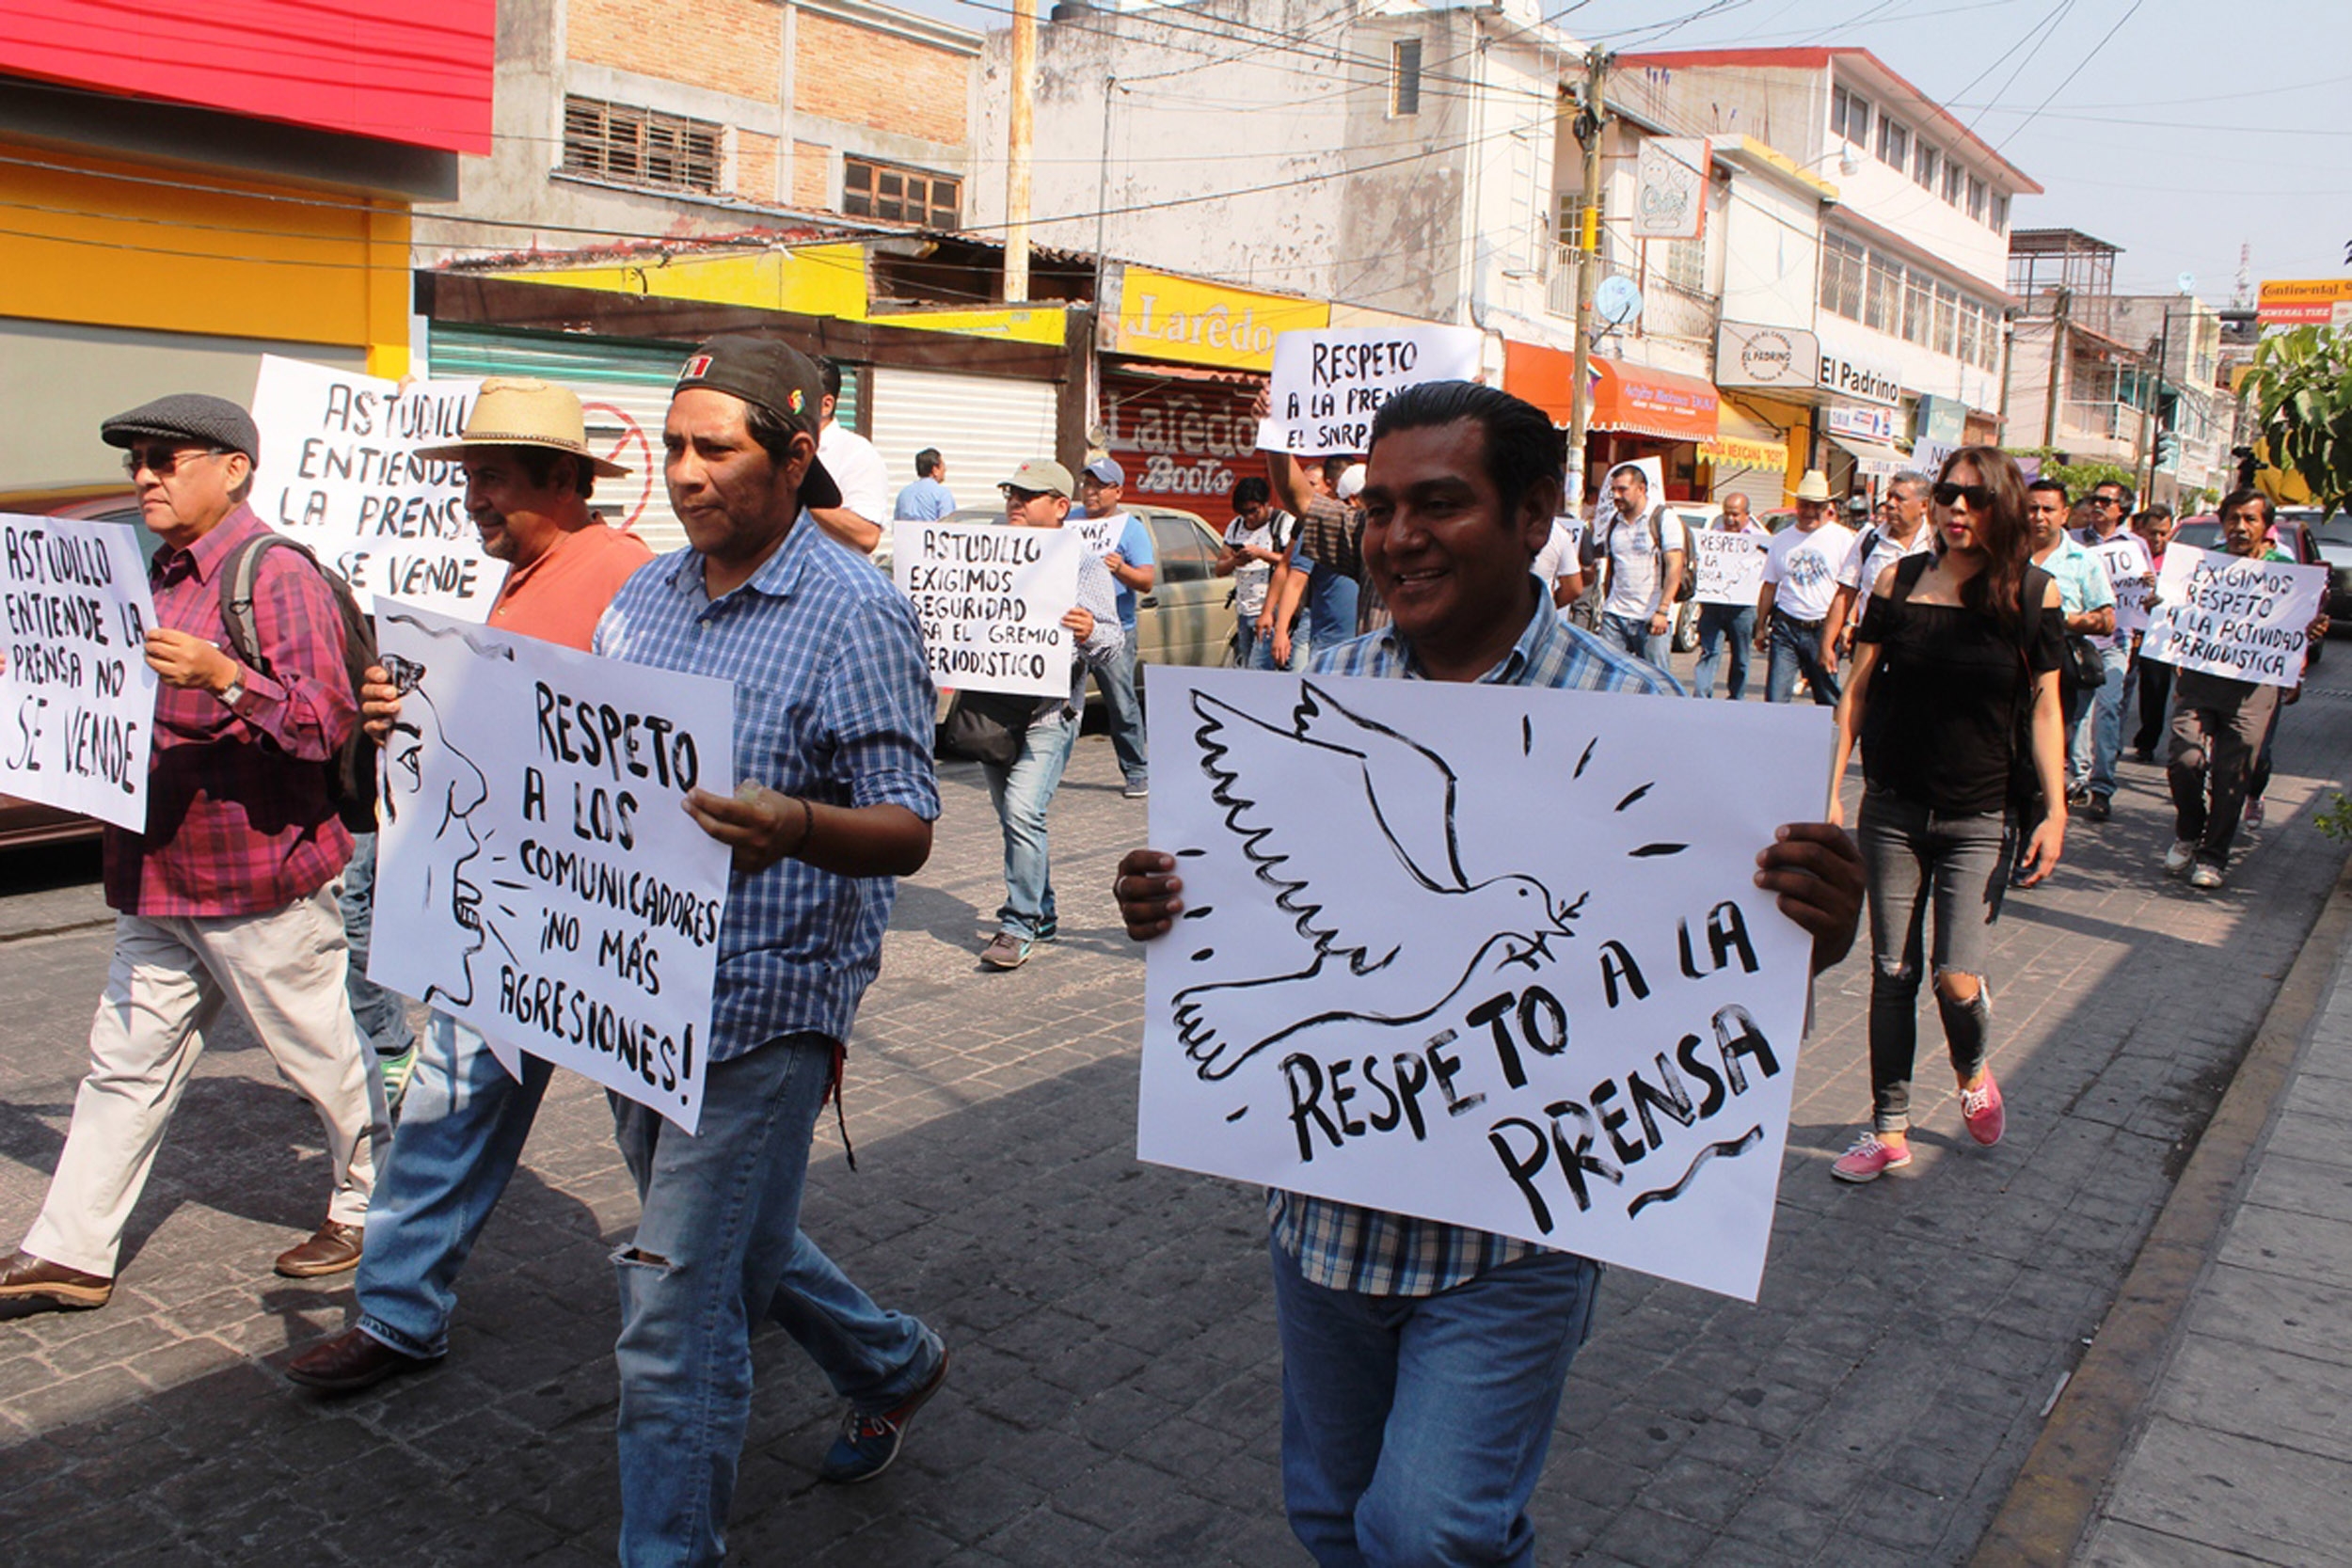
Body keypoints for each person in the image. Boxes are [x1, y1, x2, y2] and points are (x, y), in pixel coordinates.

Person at [1112, 380, 1864, 1568]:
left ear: (1534, 517)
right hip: (1321, 1212)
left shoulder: (1650, 722)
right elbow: (1242, 908)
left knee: (1431, 1531)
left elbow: (1725, 1001)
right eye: (1380, 506)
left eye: (1440, 503)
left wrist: (1810, 929)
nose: (1398, 535)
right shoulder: (1322, 693)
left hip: (1511, 1243)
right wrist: (1169, 903)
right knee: (1329, 1516)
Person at [600, 337, 952, 1560]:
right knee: (725, 1232)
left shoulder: (856, 612)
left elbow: (907, 825)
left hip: (767, 995)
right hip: (635, 983)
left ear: (797, 457)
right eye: (675, 446)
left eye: (718, 448)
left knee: (675, 1311)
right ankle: (891, 1357)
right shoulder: (642, 593)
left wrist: (796, 823)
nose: (687, 474)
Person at [284, 377, 653, 1393]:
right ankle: (399, 1316)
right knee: (450, 1101)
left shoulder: (630, 580)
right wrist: (399, 719)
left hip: (598, 917)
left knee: (657, 1133)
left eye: (492, 479)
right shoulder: (522, 575)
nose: (474, 499)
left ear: (561, 480)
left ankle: (730, 1290)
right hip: (503, 908)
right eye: (470, 479)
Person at [0, 394, 386, 1312]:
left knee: (320, 1052)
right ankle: (72, 1249)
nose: (144, 476)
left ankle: (378, 1208)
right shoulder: (154, 573)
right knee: (124, 1061)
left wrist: (225, 677)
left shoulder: (271, 572)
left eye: (166, 459)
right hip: (157, 869)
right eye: (139, 460)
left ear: (233, 467)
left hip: (257, 874)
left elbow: (323, 719)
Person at [1822, 447, 2068, 1183]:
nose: (1958, 508)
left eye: (1974, 497)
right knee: (1891, 970)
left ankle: (1971, 1069)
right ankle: (1889, 1127)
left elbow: (2048, 706)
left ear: (2002, 508)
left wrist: (2055, 810)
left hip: (1977, 815)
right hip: (1892, 807)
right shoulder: (1897, 580)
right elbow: (1857, 691)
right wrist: (1830, 785)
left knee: (1955, 979)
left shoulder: (2032, 594)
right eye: (1948, 495)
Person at [979, 459, 1126, 970]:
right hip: (993, 712)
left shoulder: (1083, 564)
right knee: (1012, 817)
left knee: (1023, 810)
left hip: (1050, 712)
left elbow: (1113, 642)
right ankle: (1041, 911)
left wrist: (1089, 631)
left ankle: (1016, 923)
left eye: (1029, 494)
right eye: (1011, 493)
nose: (1015, 502)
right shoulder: (987, 555)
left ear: (1061, 507)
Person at [2165, 489, 2328, 890]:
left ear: (2265, 526)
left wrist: (2306, 646)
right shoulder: (2204, 565)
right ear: (2223, 522)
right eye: (2233, 518)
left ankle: (2213, 856)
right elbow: (2179, 617)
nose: (2240, 527)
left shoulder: (2284, 571)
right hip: (2202, 681)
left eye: (2250, 519)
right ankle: (2189, 830)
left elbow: (2297, 629)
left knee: (2232, 773)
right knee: (2184, 758)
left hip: (2254, 688)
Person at [2021, 480, 2116, 816]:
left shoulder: (2082, 560)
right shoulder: (2006, 554)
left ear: (2064, 514)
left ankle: (2045, 810)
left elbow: (2107, 620)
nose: (2039, 517)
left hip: (2058, 664)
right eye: (2032, 508)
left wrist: (2063, 619)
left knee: (2047, 744)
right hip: (2011, 661)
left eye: (2048, 509)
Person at [2074, 483, 2156, 822]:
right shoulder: (2074, 540)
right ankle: (2078, 779)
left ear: (2121, 509)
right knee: (2078, 713)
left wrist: (2150, 590)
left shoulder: (2135, 546)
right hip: (2079, 638)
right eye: (2095, 500)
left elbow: (2148, 594)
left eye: (2106, 502)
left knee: (2108, 709)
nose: (2099, 506)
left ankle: (2102, 787)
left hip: (2116, 639)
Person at [1073, 456, 1153, 799]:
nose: (1090, 492)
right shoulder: (1069, 521)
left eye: (1098, 486)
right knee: (1060, 705)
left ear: (1117, 491)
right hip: (1072, 626)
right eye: (1087, 485)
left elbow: (1146, 580)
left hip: (1114, 629)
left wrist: (1120, 568)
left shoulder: (1130, 529)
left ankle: (1137, 771)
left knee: (1121, 704)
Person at [1756, 469, 1856, 705]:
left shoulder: (1842, 539)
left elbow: (1850, 590)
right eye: (1804, 505)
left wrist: (1847, 625)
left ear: (1827, 507)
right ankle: (1776, 740)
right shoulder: (1782, 539)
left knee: (1827, 695)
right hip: (1786, 625)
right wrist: (1760, 627)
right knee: (1775, 696)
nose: (1809, 512)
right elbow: (1769, 586)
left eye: (1816, 506)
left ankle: (1834, 740)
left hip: (1823, 627)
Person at [1821, 472, 1936, 668]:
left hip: (1921, 650)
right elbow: (1845, 593)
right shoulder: (1869, 540)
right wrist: (1827, 643)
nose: (1890, 504)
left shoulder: (1937, 542)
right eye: (1889, 497)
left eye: (1900, 498)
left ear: (1924, 505)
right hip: (1871, 649)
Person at [1267, 450, 1363, 668]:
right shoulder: (1324, 529)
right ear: (1354, 498)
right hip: (1329, 646)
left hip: (1367, 645)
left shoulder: (1383, 533)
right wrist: (1281, 631)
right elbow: (1295, 580)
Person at [1589, 460, 1685, 663]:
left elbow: (1675, 567)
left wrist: (1662, 610)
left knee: (1653, 683)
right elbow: (1612, 568)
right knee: (1608, 678)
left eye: (1622, 489)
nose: (1616, 496)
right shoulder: (1615, 522)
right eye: (1613, 490)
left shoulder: (1663, 519)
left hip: (1651, 617)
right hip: (1615, 615)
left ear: (1641, 489)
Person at [1690, 492, 1771, 700]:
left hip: (1743, 609)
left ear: (1746, 515)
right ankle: (1701, 697)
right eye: (1726, 514)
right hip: (1714, 607)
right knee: (1709, 652)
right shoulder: (1713, 537)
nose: (1730, 519)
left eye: (1735, 514)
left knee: (1741, 658)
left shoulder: (1757, 540)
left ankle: (1736, 699)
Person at [808, 357, 891, 553]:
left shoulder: (856, 452)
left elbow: (867, 535)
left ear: (826, 405)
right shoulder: (775, 449)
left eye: (796, 399)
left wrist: (800, 501)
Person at [1219, 475, 1296, 669]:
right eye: (1243, 512)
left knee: (1257, 669)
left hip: (1271, 611)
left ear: (1265, 504)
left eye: (1253, 511)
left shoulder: (1282, 523)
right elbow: (1219, 568)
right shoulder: (1235, 526)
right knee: (1249, 669)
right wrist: (1236, 560)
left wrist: (1262, 554)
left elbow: (1292, 563)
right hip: (1244, 610)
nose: (1249, 518)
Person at [2130, 504, 2178, 762]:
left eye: (2163, 533)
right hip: (2126, 632)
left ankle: (2147, 741)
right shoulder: (2128, 554)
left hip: (2159, 636)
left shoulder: (2178, 562)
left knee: (2155, 691)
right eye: (2152, 533)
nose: (2157, 539)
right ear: (2140, 531)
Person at [892, 447, 957, 522]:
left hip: (907, 533)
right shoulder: (943, 494)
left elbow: (897, 525)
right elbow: (947, 525)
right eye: (943, 465)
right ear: (935, 470)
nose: (945, 469)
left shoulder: (903, 493)